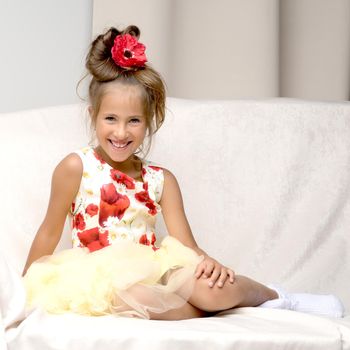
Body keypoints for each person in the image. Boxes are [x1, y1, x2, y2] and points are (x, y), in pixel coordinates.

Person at [22, 25, 344, 320]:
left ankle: (276, 296)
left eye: (133, 121)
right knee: (124, 297)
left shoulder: (161, 179)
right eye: (111, 119)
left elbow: (187, 247)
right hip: (98, 279)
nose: (121, 132)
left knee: (209, 288)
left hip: (155, 270)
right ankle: (203, 312)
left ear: (147, 121)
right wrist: (23, 295)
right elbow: (49, 233)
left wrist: (207, 264)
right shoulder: (76, 167)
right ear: (93, 115)